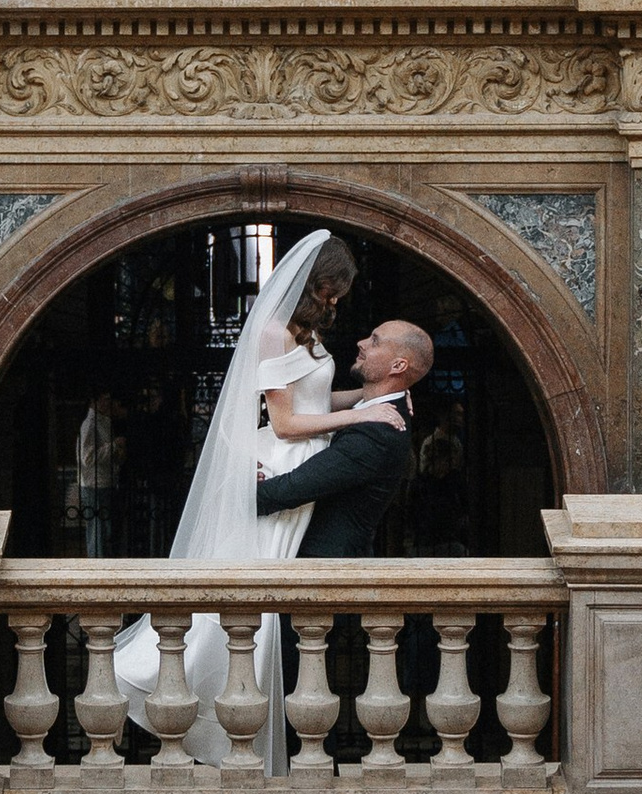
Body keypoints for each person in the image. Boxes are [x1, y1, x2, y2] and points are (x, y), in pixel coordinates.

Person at [109, 227, 375, 752]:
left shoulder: (307, 334)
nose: (337, 298)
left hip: (304, 457)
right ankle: (170, 685)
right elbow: (284, 424)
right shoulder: (274, 332)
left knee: (269, 597)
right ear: (315, 281)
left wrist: (367, 401)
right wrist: (356, 422)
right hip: (282, 462)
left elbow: (317, 400)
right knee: (253, 594)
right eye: (333, 287)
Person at [253, 320, 433, 557]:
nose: (362, 343)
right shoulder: (370, 409)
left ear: (398, 365)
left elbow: (285, 492)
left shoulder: (377, 434)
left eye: (375, 341)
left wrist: (235, 488)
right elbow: (316, 405)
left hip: (325, 568)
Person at [73, 389, 123, 557]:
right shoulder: (90, 423)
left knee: (104, 529)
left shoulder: (103, 421)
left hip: (104, 481)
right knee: (97, 530)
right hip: (94, 483)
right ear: (94, 401)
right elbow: (86, 457)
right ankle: (97, 563)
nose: (108, 403)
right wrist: (113, 446)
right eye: (104, 399)